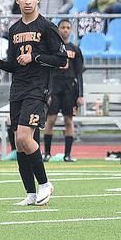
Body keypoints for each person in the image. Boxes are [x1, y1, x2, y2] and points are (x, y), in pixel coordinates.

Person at [0, 0, 67, 206]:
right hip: (18, 89)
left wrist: (35, 56)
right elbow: (14, 64)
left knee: (25, 136)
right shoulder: (14, 29)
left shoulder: (47, 27)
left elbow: (61, 59)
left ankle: (45, 184)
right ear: (17, 0)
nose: (28, 2)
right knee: (19, 142)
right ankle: (30, 193)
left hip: (38, 87)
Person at [44, 18, 85, 162]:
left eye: (68, 27)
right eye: (63, 27)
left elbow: (79, 73)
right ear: (58, 29)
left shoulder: (75, 49)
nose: (65, 30)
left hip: (69, 88)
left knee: (69, 120)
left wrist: (80, 94)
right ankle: (47, 153)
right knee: (51, 119)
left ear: (71, 30)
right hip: (54, 86)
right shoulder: (51, 48)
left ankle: (68, 154)